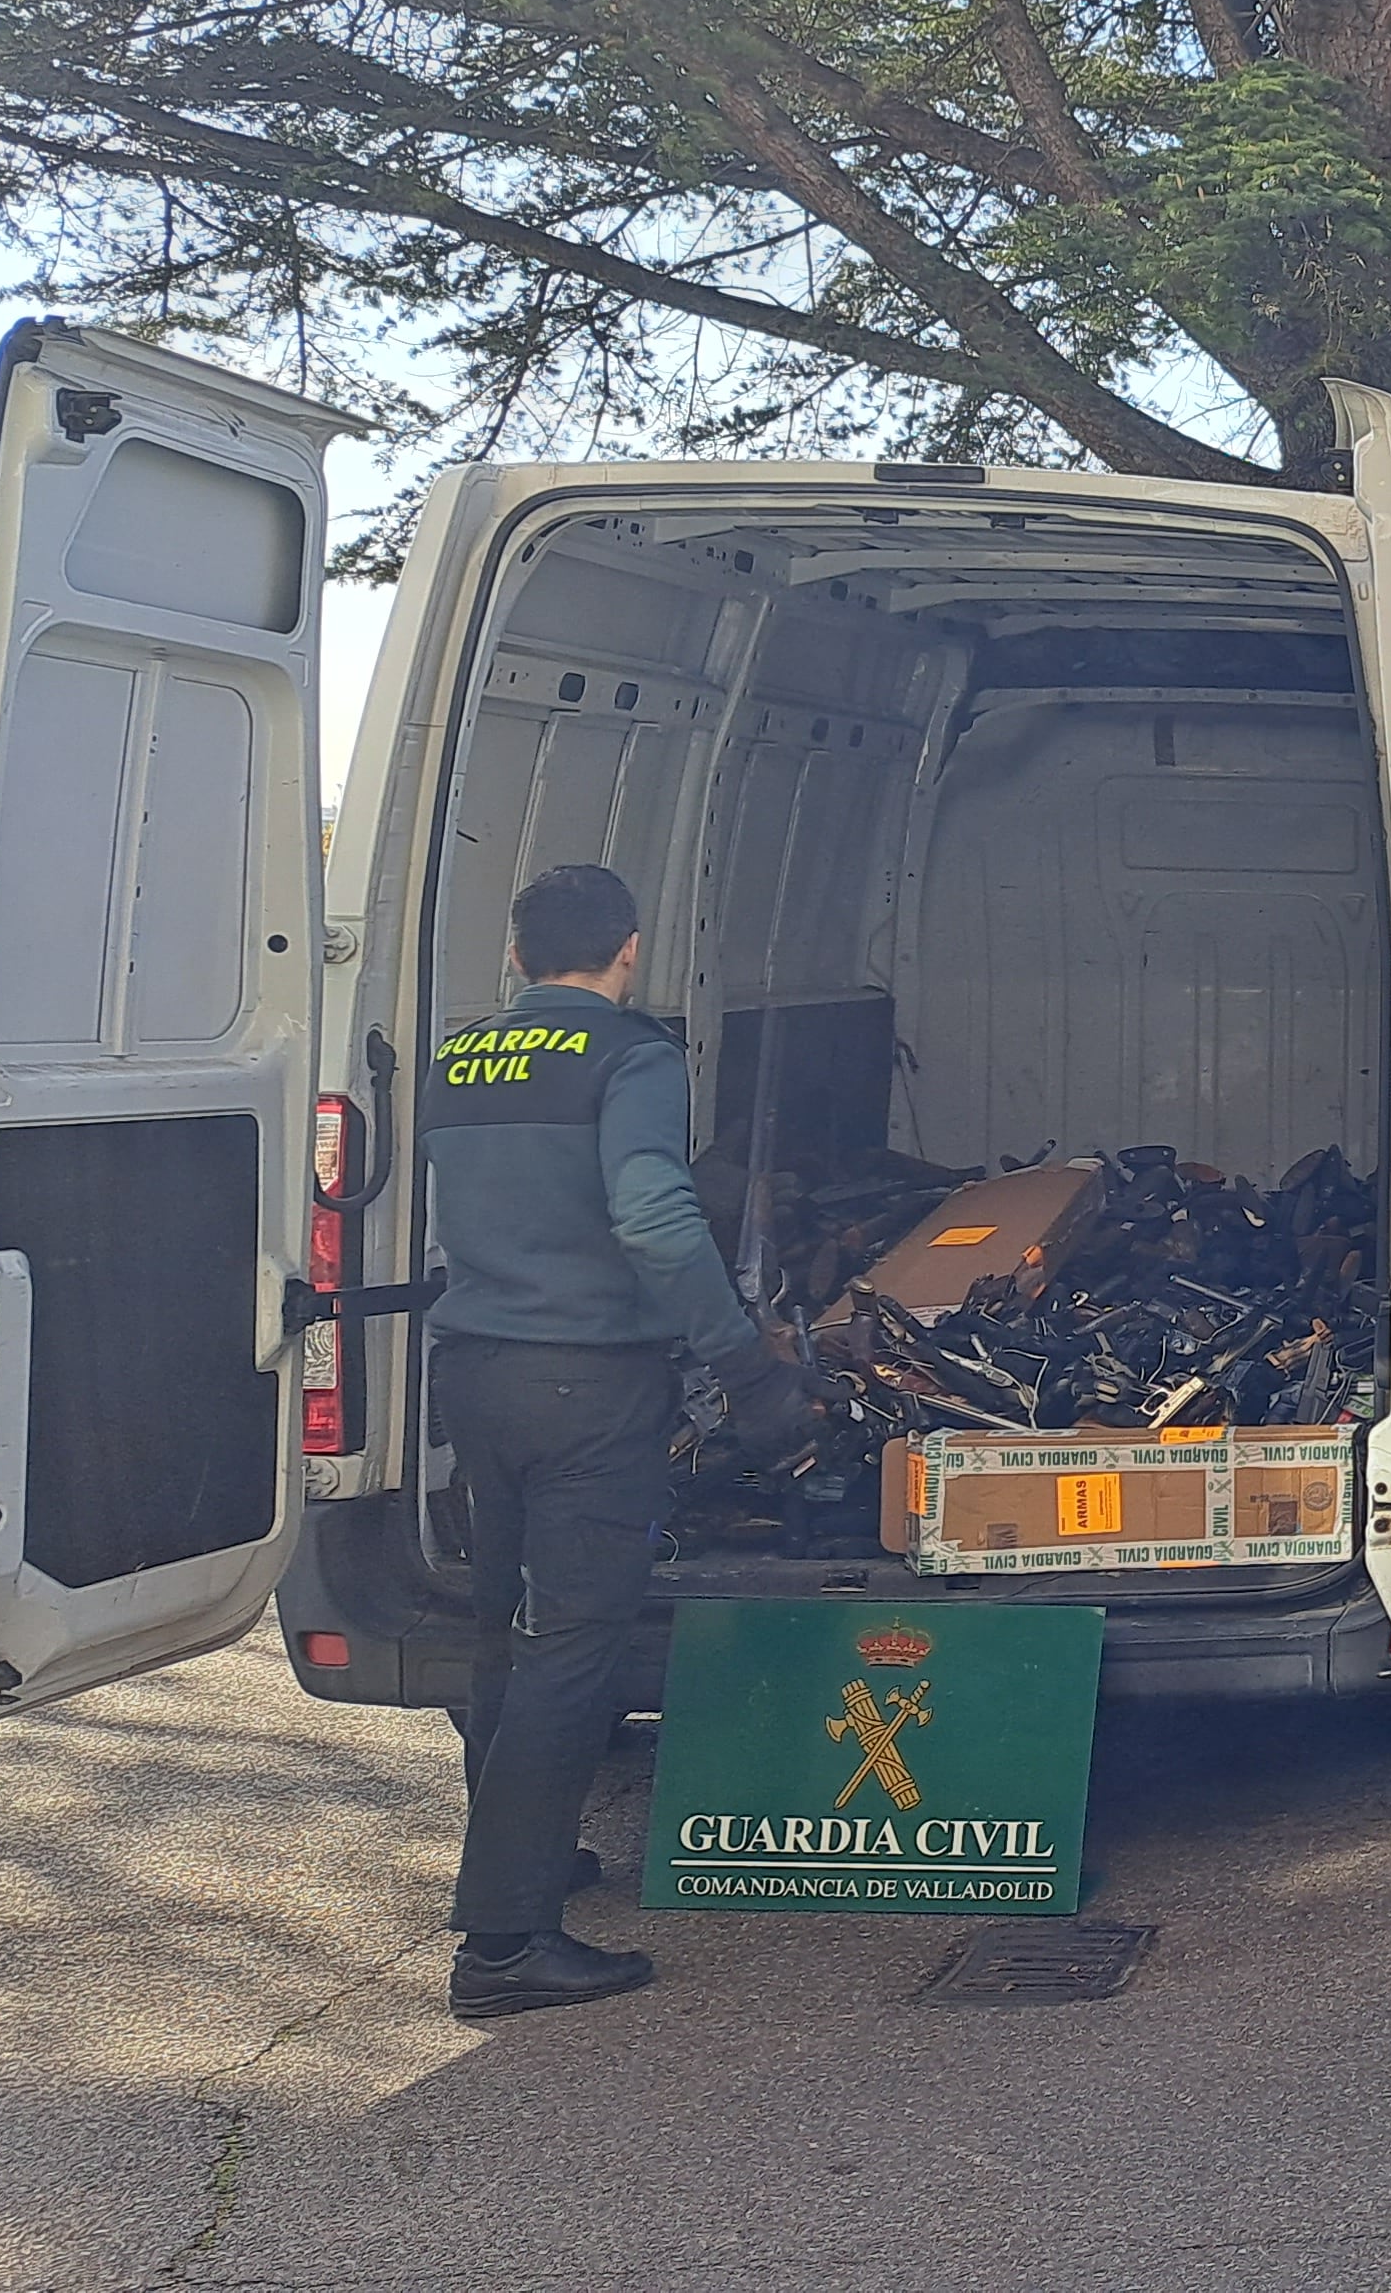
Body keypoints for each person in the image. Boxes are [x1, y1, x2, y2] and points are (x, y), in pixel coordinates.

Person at [418, 864, 815, 2018]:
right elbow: (649, 1209)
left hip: (476, 1373)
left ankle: (526, 1855)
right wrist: (742, 1364)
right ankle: (502, 1947)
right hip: (586, 1385)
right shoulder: (631, 1057)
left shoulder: (459, 1058)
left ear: (517, 952)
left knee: (503, 1628)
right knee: (573, 1649)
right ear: (628, 951)